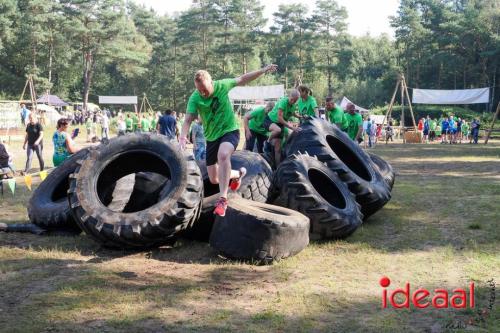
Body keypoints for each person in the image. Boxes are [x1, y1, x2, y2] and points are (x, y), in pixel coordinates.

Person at [180, 65, 278, 217]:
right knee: (213, 179)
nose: (203, 93)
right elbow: (187, 120)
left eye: (205, 89)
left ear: (211, 82)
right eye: (199, 90)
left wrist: (263, 70)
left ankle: (223, 199)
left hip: (230, 131)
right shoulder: (195, 98)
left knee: (223, 155)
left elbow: (243, 78)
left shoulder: (222, 85)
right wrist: (182, 137)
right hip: (211, 137)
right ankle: (237, 174)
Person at [263, 89, 301, 164]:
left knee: (278, 149)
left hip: (280, 125)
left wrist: (300, 116)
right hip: (270, 121)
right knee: (278, 130)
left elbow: (292, 113)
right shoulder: (283, 102)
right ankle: (267, 142)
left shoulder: (293, 105)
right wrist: (292, 127)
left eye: (295, 101)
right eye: (292, 100)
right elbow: (280, 118)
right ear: (289, 96)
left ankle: (277, 168)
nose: (293, 102)